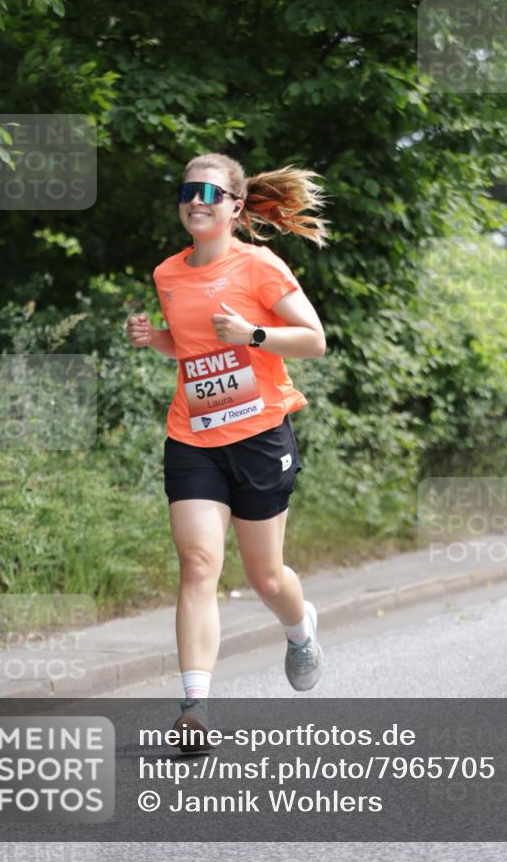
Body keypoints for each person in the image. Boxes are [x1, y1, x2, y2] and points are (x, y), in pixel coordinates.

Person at [125, 152, 332, 751]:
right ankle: (194, 708)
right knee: (197, 566)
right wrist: (155, 339)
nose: (197, 200)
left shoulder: (260, 266)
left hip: (260, 435)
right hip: (194, 436)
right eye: (189, 191)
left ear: (236, 207)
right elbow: (189, 349)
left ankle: (299, 631)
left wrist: (255, 334)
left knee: (266, 577)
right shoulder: (169, 273)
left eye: (211, 193)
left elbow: (314, 340)